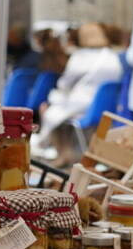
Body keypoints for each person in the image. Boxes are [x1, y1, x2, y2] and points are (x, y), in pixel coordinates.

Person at [33, 23, 125, 160]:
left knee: (48, 107)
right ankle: (62, 152)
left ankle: (57, 150)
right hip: (103, 109)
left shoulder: (80, 57)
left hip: (81, 106)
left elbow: (64, 84)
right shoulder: (113, 57)